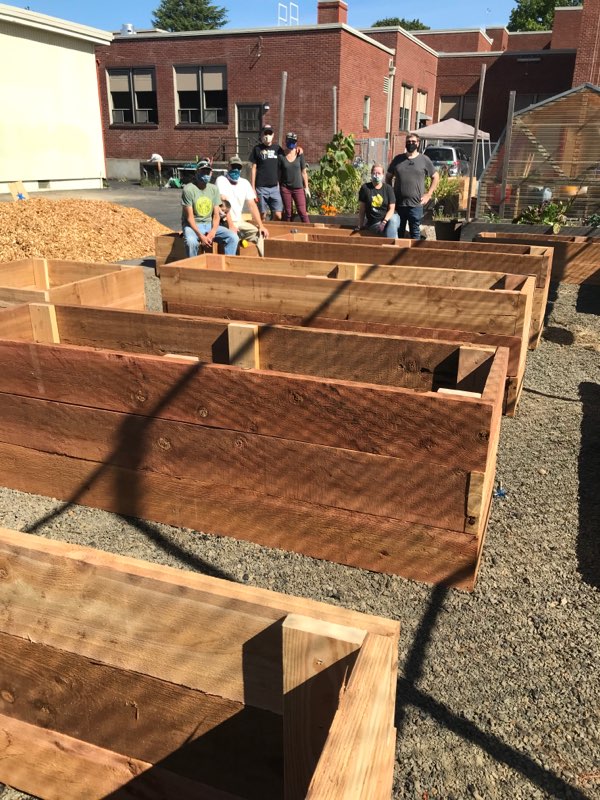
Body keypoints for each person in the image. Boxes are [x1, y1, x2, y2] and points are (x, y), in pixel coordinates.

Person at [386, 133, 439, 240]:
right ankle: (397, 254)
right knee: (398, 231)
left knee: (415, 232)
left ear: (418, 143)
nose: (411, 144)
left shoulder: (424, 160)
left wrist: (429, 194)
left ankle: (414, 255)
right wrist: (390, 193)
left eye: (413, 142)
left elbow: (436, 176)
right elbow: (388, 177)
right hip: (399, 204)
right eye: (408, 142)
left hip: (416, 204)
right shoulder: (398, 159)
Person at [181, 159, 238, 257]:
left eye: (208, 172)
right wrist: (200, 236)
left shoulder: (213, 189)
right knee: (191, 242)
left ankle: (228, 264)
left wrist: (213, 231)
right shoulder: (188, 189)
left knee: (233, 237)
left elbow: (216, 215)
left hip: (209, 224)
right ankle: (192, 268)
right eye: (203, 171)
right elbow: (189, 218)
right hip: (193, 226)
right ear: (197, 172)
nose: (206, 174)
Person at [216, 155, 269, 254]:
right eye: (233, 166)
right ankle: (230, 263)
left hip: (239, 221)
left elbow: (252, 205)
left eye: (238, 167)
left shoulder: (244, 183)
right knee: (233, 238)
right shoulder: (221, 180)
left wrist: (261, 225)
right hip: (225, 222)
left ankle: (263, 262)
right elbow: (224, 204)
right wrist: (231, 225)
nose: (236, 169)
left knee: (260, 234)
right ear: (228, 167)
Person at [249, 125, 285, 222]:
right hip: (261, 188)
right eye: (265, 133)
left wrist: (299, 149)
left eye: (269, 133)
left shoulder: (278, 149)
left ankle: (271, 228)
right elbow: (253, 168)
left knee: (278, 215)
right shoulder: (257, 149)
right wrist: (252, 188)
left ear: (273, 135)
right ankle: (263, 232)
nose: (267, 136)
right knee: (262, 215)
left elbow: (287, 159)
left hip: (274, 188)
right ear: (261, 135)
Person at [356, 163, 398, 237]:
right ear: (371, 174)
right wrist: (360, 225)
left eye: (379, 173)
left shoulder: (388, 189)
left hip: (388, 219)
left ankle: (393, 246)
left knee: (393, 221)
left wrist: (384, 221)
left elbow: (392, 209)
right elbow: (362, 209)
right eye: (374, 173)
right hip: (374, 222)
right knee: (383, 231)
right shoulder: (365, 188)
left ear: (383, 174)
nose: (376, 175)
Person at [278, 132, 310, 223]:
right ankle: (287, 233)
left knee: (302, 212)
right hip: (285, 188)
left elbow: (304, 172)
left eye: (293, 141)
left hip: (298, 188)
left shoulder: (299, 154)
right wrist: (277, 186)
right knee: (288, 213)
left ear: (296, 142)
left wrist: (306, 188)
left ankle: (309, 231)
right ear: (286, 141)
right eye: (289, 141)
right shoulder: (281, 156)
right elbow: (279, 173)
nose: (291, 143)